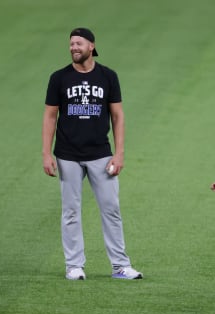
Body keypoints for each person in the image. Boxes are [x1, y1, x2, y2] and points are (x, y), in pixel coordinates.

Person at [42, 27, 142, 280]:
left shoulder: (108, 76)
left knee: (111, 209)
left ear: (91, 46)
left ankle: (120, 265)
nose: (74, 48)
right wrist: (46, 154)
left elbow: (118, 116)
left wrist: (119, 154)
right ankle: (74, 266)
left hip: (100, 153)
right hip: (67, 154)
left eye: (79, 43)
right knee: (71, 211)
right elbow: (50, 116)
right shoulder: (59, 78)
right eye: (71, 44)